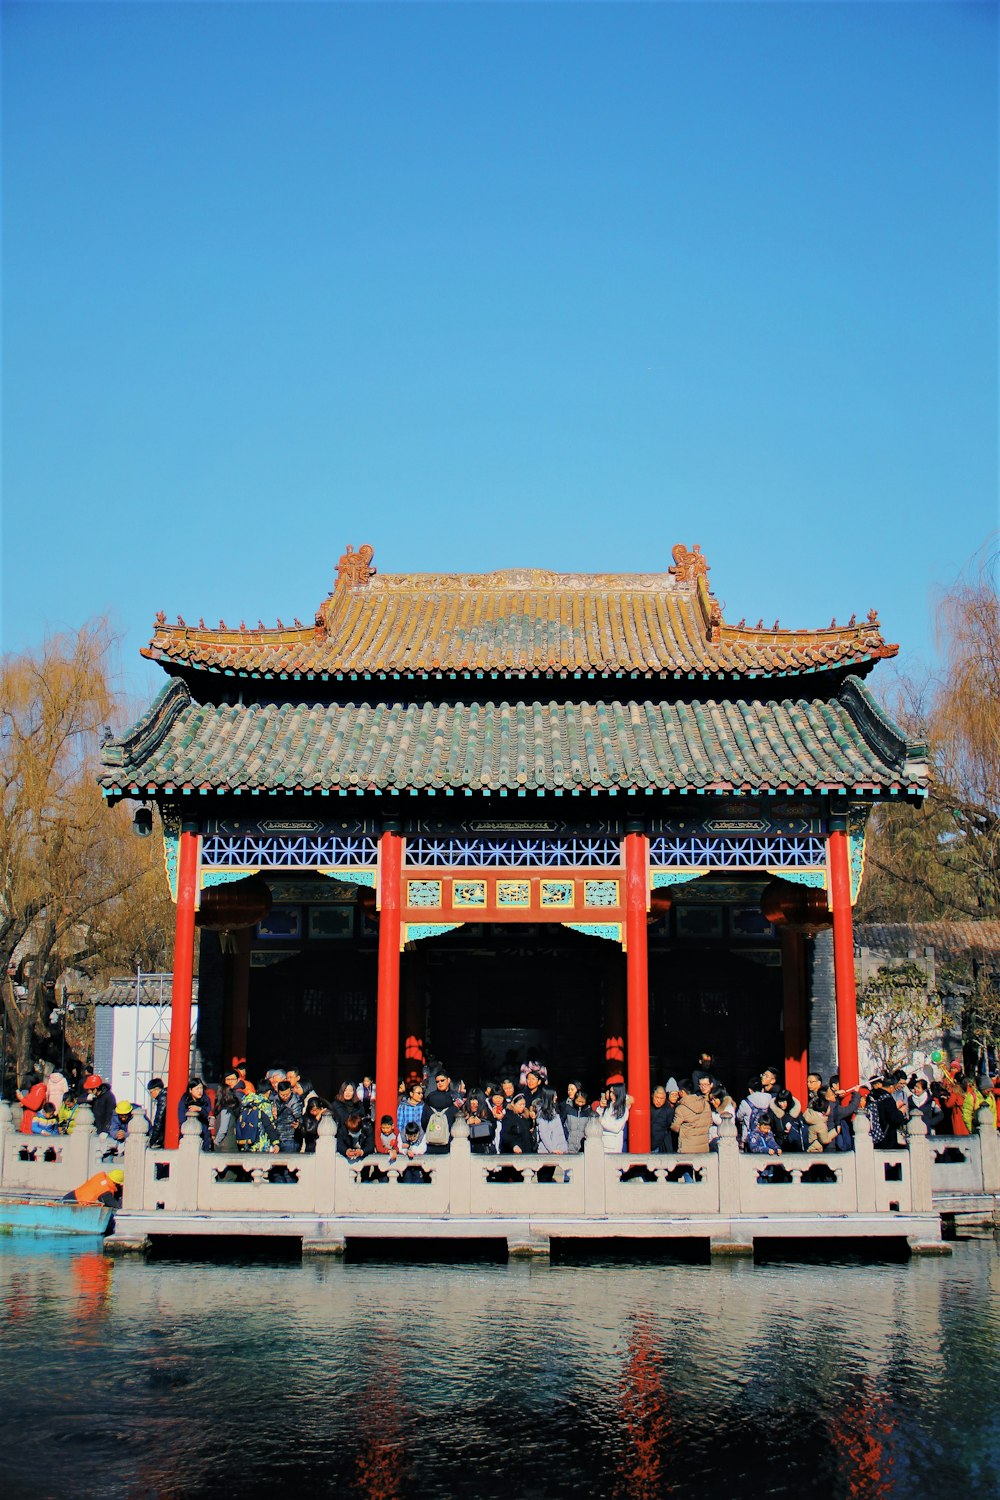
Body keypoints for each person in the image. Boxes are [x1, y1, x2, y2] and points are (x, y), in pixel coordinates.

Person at [421, 1071, 458, 1153]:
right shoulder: (455, 1097)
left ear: (448, 1080)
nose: (440, 1083)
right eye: (437, 1081)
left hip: (432, 1139)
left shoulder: (430, 1097)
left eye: (442, 1080)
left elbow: (424, 1121)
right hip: (448, 1141)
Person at [672, 1080, 711, 1155]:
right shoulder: (706, 1104)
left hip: (687, 1148)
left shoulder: (681, 1109)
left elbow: (675, 1128)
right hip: (704, 1148)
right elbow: (710, 1122)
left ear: (682, 1092)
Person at [212, 1071, 243, 1153]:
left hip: (225, 1146)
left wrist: (216, 1141)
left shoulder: (225, 1109)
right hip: (230, 1144)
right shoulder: (231, 1107)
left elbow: (223, 1129)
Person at [178, 1077, 213, 1150]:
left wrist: (200, 1109)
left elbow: (208, 1114)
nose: (200, 1091)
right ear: (190, 1090)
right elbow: (181, 1119)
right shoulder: (184, 1100)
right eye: (197, 1089)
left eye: (201, 1088)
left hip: (204, 1134)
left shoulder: (205, 1099)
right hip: (188, 1135)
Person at [598, 1083, 633, 1154]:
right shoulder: (609, 1105)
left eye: (613, 1093)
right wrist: (601, 1108)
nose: (611, 1095)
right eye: (610, 1092)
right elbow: (597, 1117)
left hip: (613, 1143)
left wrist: (602, 1121)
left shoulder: (624, 1109)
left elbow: (616, 1128)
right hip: (603, 1141)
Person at [534, 1088, 568, 1154]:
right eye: (554, 1095)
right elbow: (544, 1134)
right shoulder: (542, 1113)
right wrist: (552, 1149)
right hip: (548, 1151)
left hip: (559, 1150)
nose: (556, 1097)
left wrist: (564, 1148)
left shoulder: (554, 1110)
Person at [146, 1078, 167, 1149]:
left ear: (157, 1089)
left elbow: (159, 1119)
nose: (151, 1095)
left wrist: (153, 1140)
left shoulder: (162, 1098)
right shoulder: (166, 1094)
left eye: (151, 1092)